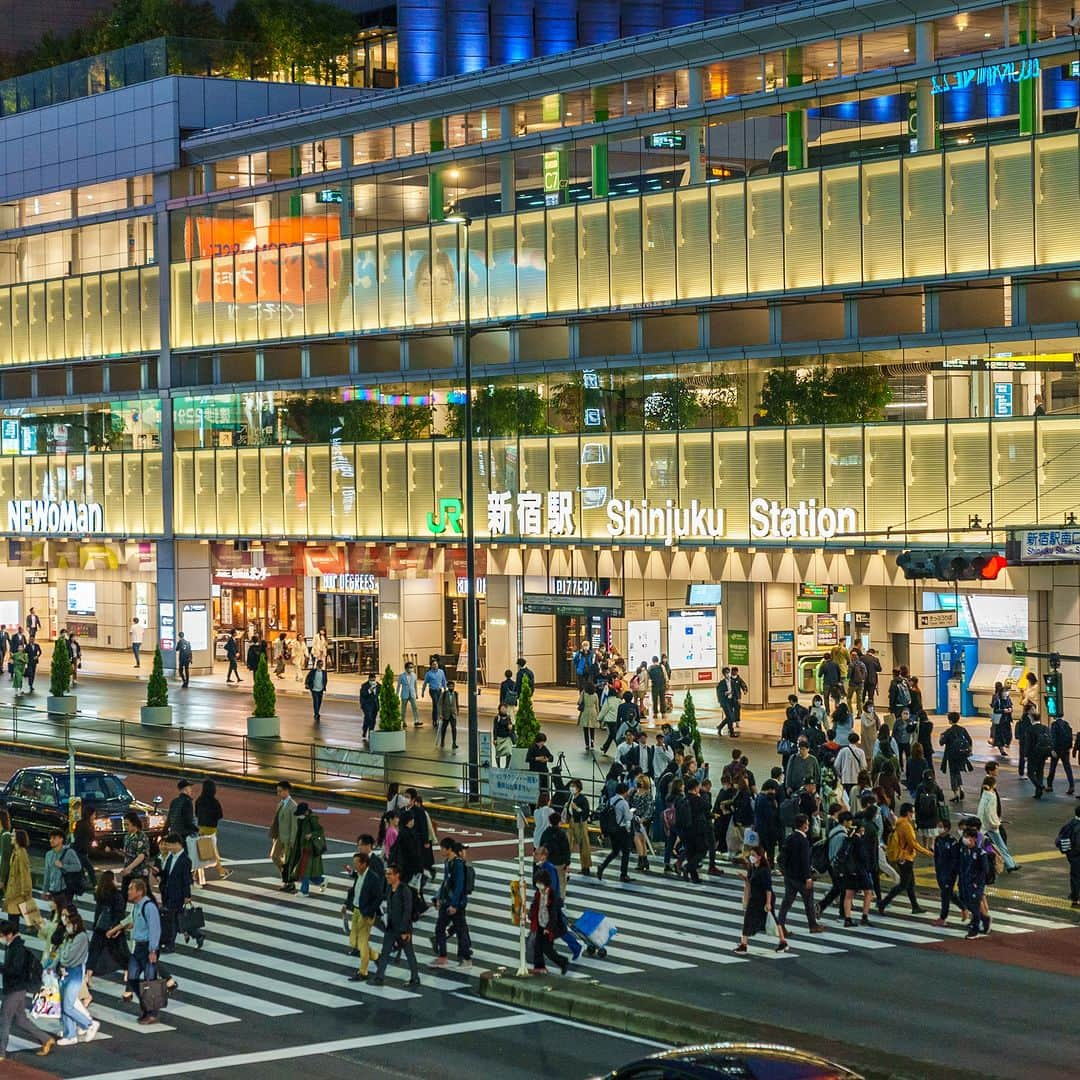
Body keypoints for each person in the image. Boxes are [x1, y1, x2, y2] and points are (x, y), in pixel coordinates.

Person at [108, 877, 162, 1024]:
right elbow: (130, 919)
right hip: (137, 946)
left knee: (150, 981)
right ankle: (146, 1007)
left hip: (147, 947)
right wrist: (116, 929)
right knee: (132, 979)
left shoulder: (148, 907)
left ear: (139, 891)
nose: (128, 891)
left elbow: (155, 929)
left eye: (131, 889)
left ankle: (152, 1013)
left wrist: (153, 950)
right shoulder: (137, 906)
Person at [0, 919, 56, 1059]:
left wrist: (1, 968)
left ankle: (1, 1052)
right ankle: (46, 1039)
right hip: (18, 988)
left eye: (0, 935)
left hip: (15, 988)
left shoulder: (16, 949)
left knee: (4, 1020)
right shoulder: (15, 946)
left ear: (9, 934)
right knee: (20, 1020)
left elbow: (14, 970)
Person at [371, 865, 421, 987]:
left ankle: (415, 978)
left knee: (409, 953)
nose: (387, 876)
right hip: (391, 927)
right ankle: (379, 977)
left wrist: (404, 930)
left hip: (403, 928)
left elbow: (407, 910)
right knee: (385, 951)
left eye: (389, 874)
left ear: (397, 875)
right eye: (386, 874)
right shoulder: (389, 888)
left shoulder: (405, 890)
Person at [878, 803, 932, 915]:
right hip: (905, 857)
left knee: (910, 883)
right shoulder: (906, 825)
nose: (913, 814)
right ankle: (883, 903)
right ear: (908, 813)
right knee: (904, 884)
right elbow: (913, 843)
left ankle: (915, 906)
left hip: (903, 856)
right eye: (912, 812)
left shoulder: (899, 822)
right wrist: (928, 853)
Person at [777, 814, 826, 935]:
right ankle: (812, 925)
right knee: (808, 902)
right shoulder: (803, 841)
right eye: (807, 823)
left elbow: (781, 858)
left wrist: (785, 871)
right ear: (804, 825)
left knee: (787, 902)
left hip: (789, 876)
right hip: (801, 877)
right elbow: (805, 861)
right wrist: (808, 877)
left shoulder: (790, 838)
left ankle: (780, 924)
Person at [733, 845, 787, 953]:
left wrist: (768, 903)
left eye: (753, 855)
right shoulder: (752, 867)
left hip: (764, 898)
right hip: (754, 898)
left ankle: (782, 942)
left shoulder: (764, 870)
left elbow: (768, 888)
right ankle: (744, 944)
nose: (751, 857)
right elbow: (750, 881)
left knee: (772, 919)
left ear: (760, 857)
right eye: (751, 855)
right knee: (748, 919)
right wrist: (744, 878)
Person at [432, 838, 473, 968]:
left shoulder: (458, 864)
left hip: (456, 904)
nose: (440, 850)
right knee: (440, 928)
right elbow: (445, 883)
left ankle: (466, 959)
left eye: (442, 848)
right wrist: (438, 898)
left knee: (461, 931)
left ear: (449, 849)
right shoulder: (447, 862)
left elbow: (459, 886)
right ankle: (443, 956)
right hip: (446, 902)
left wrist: (454, 905)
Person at [157, 834, 202, 951]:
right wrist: (158, 873)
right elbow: (166, 873)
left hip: (178, 894)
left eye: (170, 845)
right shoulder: (171, 857)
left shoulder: (185, 860)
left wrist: (187, 896)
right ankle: (197, 934)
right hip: (168, 893)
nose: (168, 848)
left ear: (177, 844)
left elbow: (186, 880)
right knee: (177, 919)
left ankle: (170, 945)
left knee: (172, 919)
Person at [344, 851, 382, 980]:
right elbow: (353, 892)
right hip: (356, 910)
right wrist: (346, 904)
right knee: (353, 942)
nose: (355, 866)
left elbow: (378, 898)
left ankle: (363, 972)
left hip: (365, 913)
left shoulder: (373, 878)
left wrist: (368, 913)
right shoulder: (359, 875)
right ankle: (377, 957)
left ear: (364, 864)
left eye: (356, 863)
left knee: (362, 942)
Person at [86, 870, 129, 987]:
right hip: (113, 928)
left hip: (100, 926)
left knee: (94, 951)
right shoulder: (117, 895)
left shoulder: (100, 894)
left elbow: (98, 912)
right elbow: (119, 913)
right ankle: (127, 971)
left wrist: (95, 925)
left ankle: (88, 975)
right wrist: (118, 928)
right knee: (121, 950)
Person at [528, 869, 568, 974]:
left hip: (549, 926)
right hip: (540, 923)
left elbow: (554, 914)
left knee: (548, 950)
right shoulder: (538, 893)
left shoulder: (552, 895)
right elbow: (534, 906)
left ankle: (563, 962)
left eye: (540, 882)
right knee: (537, 947)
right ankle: (539, 967)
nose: (538, 885)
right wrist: (530, 914)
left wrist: (548, 928)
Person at [977, 777, 1018, 872]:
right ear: (993, 784)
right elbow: (989, 811)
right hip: (991, 825)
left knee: (981, 843)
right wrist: (994, 823)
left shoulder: (985, 794)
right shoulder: (991, 796)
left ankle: (1010, 863)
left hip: (983, 825)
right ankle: (1009, 864)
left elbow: (983, 810)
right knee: (1000, 845)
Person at [597, 782, 634, 882]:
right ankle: (624, 874)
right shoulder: (623, 803)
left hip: (611, 829)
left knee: (615, 851)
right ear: (625, 792)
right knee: (626, 851)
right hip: (621, 829)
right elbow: (628, 817)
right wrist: (631, 812)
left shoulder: (611, 800)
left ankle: (602, 866)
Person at [958, 826, 991, 938]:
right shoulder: (964, 850)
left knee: (975, 905)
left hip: (975, 884)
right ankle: (984, 918)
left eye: (967, 837)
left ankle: (974, 929)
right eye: (964, 836)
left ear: (974, 839)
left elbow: (985, 869)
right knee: (966, 902)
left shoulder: (980, 853)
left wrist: (977, 882)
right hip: (965, 882)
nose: (965, 839)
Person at [288, 803, 327, 896]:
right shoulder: (302, 819)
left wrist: (311, 835)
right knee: (307, 870)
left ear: (305, 812)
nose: (299, 815)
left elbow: (320, 831)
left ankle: (304, 891)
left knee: (304, 870)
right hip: (303, 847)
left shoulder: (312, 819)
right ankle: (321, 880)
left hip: (310, 848)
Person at [195, 778, 229, 880]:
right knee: (211, 851)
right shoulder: (215, 802)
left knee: (204, 850)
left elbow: (196, 813)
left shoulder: (199, 800)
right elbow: (220, 815)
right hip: (211, 829)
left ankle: (220, 871)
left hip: (201, 828)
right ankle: (220, 871)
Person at [42, 829, 83, 909]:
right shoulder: (49, 854)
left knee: (65, 915)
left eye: (54, 838)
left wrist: (63, 866)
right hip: (53, 889)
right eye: (50, 838)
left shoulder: (69, 852)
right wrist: (45, 890)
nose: (51, 840)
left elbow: (78, 867)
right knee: (55, 914)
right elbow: (47, 873)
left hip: (65, 889)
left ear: (61, 839)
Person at [166, 779, 200, 873]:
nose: (191, 790)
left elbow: (169, 819)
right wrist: (197, 830)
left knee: (174, 858)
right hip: (183, 836)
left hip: (173, 834)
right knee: (185, 859)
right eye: (189, 787)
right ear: (185, 789)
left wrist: (164, 833)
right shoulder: (187, 802)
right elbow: (187, 821)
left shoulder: (174, 801)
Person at [270, 780, 298, 893]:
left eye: (280, 791)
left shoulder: (293, 806)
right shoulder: (280, 804)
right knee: (274, 856)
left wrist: (292, 840)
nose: (278, 794)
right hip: (280, 836)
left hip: (288, 839)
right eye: (277, 791)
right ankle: (287, 877)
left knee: (287, 861)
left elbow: (294, 826)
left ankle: (289, 882)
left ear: (287, 791)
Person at [939, 712, 972, 803]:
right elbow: (969, 740)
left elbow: (942, 743)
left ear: (949, 720)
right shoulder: (962, 729)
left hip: (951, 755)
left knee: (953, 774)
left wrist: (941, 737)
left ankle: (956, 794)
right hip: (961, 755)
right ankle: (961, 788)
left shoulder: (948, 731)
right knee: (958, 772)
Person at [565, 779, 592, 876]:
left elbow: (586, 812)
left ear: (578, 788)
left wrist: (577, 808)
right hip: (572, 822)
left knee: (584, 845)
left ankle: (586, 867)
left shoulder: (582, 799)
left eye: (574, 786)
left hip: (581, 823)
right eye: (571, 786)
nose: (571, 788)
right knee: (568, 844)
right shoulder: (571, 797)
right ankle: (565, 864)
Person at [1057, 805, 1080, 908]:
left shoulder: (1070, 824)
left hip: (1074, 857)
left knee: (1075, 877)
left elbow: (1060, 840)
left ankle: (1075, 898)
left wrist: (1069, 853)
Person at [1047, 712, 1076, 795]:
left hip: (1057, 749)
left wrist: (1052, 749)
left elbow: (1053, 738)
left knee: (1053, 767)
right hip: (1065, 750)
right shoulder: (1066, 724)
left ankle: (1049, 785)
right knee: (1067, 768)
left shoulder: (1054, 725)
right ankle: (1071, 785)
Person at [1027, 718, 1053, 799]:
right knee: (1040, 772)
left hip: (1033, 754)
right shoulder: (1045, 728)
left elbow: (1028, 743)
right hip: (1044, 753)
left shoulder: (1030, 729)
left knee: (1030, 773)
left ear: (1031, 719)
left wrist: (1026, 754)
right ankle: (1038, 793)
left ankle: (1040, 786)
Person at [834, 732, 867, 797]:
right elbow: (864, 766)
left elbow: (836, 765)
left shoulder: (843, 751)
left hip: (845, 778)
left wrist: (840, 774)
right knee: (856, 798)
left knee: (846, 798)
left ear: (848, 740)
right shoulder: (861, 752)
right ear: (857, 741)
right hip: (857, 779)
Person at [421, 659, 448, 729]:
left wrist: (445, 689)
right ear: (431, 666)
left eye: (436, 664)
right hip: (432, 691)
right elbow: (425, 683)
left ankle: (439, 719)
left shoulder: (441, 672)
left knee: (440, 705)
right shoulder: (429, 673)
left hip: (439, 690)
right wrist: (422, 692)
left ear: (438, 665)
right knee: (435, 704)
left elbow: (444, 681)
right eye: (433, 664)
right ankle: (435, 720)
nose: (435, 665)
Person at [990, 681, 1013, 757]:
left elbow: (1011, 706)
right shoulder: (998, 700)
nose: (1006, 693)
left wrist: (1010, 709)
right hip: (1000, 720)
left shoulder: (1008, 700)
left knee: (1008, 734)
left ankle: (1006, 743)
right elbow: (995, 710)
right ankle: (1001, 749)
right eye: (1004, 692)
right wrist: (1004, 710)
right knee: (1000, 735)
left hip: (1007, 720)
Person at [303, 658, 328, 724]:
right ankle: (316, 713)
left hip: (321, 689)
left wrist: (324, 687)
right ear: (317, 665)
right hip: (314, 689)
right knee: (316, 701)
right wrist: (307, 684)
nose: (321, 665)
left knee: (319, 702)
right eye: (320, 664)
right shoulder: (313, 671)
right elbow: (308, 678)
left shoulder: (324, 672)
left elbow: (325, 680)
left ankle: (317, 712)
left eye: (322, 664)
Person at [577, 679, 600, 752]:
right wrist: (598, 715)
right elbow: (597, 706)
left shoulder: (583, 693)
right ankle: (592, 741)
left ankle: (587, 744)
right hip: (593, 711)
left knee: (585, 729)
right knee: (592, 728)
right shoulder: (595, 695)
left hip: (585, 712)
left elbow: (579, 702)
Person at [397, 662, 420, 727]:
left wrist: (416, 693)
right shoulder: (402, 676)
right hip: (404, 694)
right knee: (403, 708)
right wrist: (397, 694)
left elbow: (415, 685)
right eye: (410, 667)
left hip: (412, 694)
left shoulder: (414, 675)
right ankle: (403, 721)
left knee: (415, 707)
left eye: (412, 667)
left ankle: (416, 720)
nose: (411, 669)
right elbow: (398, 686)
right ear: (406, 668)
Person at [360, 671, 380, 741]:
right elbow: (363, 694)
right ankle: (365, 731)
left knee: (373, 720)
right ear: (369, 679)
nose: (373, 681)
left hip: (375, 705)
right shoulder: (364, 686)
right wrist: (370, 690)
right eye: (371, 680)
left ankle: (371, 732)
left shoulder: (378, 685)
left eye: (374, 680)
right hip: (366, 705)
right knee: (368, 718)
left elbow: (381, 692)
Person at [493, 703, 514, 768]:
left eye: (505, 708)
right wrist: (495, 738)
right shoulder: (497, 717)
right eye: (502, 709)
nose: (504, 710)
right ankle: (498, 766)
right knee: (498, 753)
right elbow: (495, 728)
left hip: (507, 737)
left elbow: (511, 725)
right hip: (499, 737)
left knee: (509, 752)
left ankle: (506, 766)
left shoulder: (508, 717)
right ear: (499, 709)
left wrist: (511, 727)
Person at [646, 655, 667, 720]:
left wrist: (648, 686)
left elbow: (648, 677)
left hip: (654, 685)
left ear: (652, 661)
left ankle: (655, 714)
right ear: (658, 660)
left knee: (654, 700)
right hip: (662, 685)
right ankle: (663, 714)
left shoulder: (650, 668)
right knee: (662, 699)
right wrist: (667, 683)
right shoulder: (662, 666)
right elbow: (665, 675)